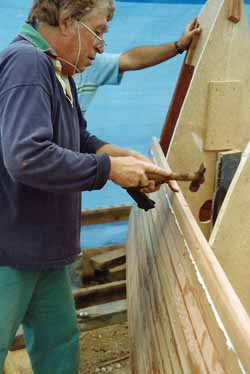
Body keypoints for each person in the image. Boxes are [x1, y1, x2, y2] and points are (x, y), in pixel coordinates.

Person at [0, 0, 176, 373]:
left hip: (45, 247)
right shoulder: (27, 63)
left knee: (59, 345)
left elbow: (77, 137)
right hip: (10, 250)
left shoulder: (57, 70)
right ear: (66, 22)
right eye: (99, 30)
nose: (101, 44)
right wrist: (109, 169)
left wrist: (120, 155)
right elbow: (27, 156)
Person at [75, 0, 201, 114]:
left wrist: (178, 46)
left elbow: (132, 59)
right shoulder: (57, 80)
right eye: (96, 32)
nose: (100, 49)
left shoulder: (93, 63)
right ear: (66, 24)